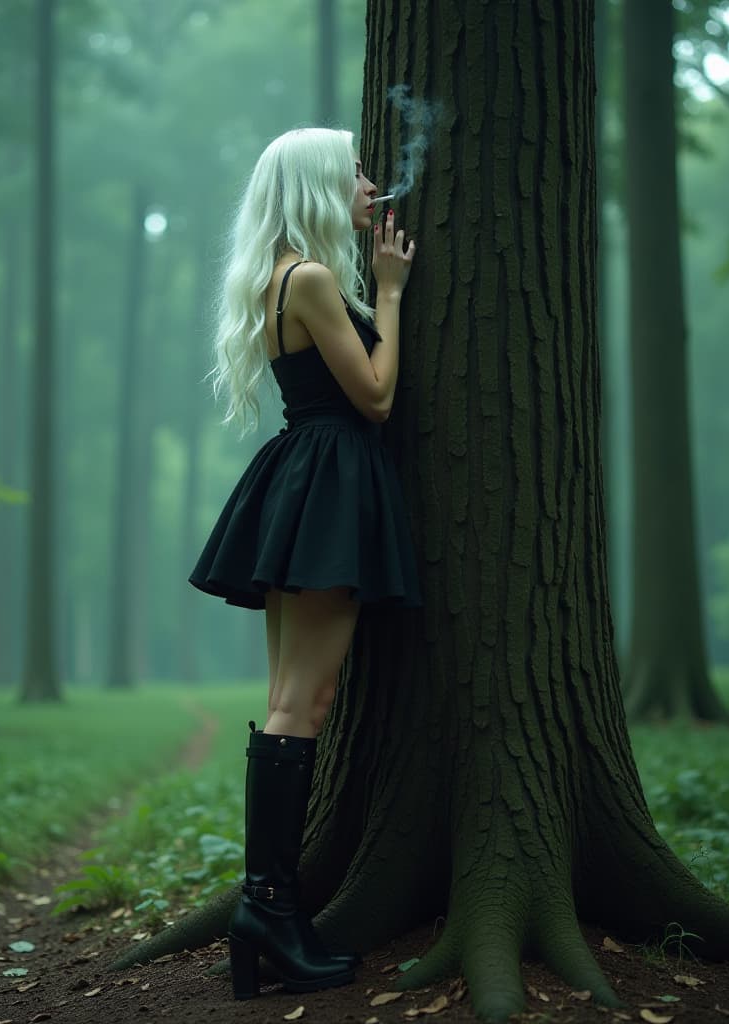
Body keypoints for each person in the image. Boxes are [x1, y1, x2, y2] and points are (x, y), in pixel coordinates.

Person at [189, 127, 421, 999]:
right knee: (306, 701)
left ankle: (267, 910)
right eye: (355, 170)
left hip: (301, 480)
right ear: (319, 184)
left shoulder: (281, 271)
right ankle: (271, 912)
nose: (370, 183)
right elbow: (377, 394)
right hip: (327, 483)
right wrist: (390, 294)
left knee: (291, 698)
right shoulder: (315, 278)